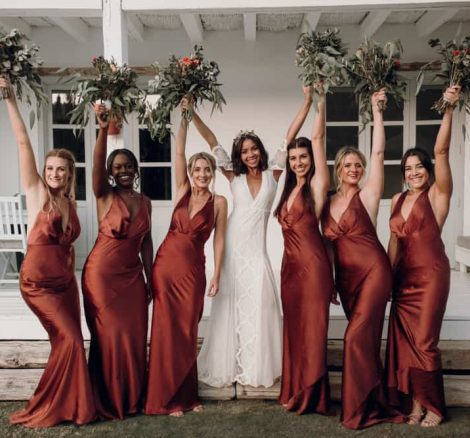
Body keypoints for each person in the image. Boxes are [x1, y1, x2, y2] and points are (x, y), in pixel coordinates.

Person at [195, 91, 307, 388]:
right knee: (230, 304)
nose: (250, 154)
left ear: (260, 150)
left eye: (254, 149)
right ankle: (229, 365)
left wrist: (307, 101)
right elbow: (211, 141)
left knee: (262, 304)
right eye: (244, 151)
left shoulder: (274, 174)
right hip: (233, 248)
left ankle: (256, 365)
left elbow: (289, 135)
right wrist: (190, 112)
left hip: (256, 251)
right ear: (239, 156)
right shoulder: (234, 177)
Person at [1, 76, 95, 427]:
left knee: (69, 342)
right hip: (38, 284)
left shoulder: (70, 202)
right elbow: (24, 142)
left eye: (61, 169)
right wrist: (9, 99)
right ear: (44, 172)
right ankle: (48, 404)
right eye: (50, 169)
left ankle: (72, 405)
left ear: (70, 174)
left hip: (65, 284)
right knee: (69, 340)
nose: (54, 173)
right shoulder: (37, 194)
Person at [321, 89, 404, 429]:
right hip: (346, 280)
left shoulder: (369, 195)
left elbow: (380, 150)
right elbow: (325, 247)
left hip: (374, 272)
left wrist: (377, 112)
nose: (354, 169)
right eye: (348, 165)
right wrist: (329, 282)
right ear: (338, 169)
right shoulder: (325, 202)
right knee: (365, 341)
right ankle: (375, 400)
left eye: (359, 165)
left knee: (354, 338)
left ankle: (357, 411)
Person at [145, 98, 227, 416]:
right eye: (198, 169)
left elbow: (219, 241)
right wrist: (183, 115)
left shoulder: (219, 202)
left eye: (207, 169)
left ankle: (187, 395)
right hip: (165, 267)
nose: (202, 173)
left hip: (194, 271)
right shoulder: (181, 190)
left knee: (186, 330)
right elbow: (177, 151)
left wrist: (217, 274)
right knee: (165, 331)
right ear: (191, 173)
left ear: (212, 173)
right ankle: (166, 399)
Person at [386, 86, 461, 428]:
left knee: (425, 341)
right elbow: (394, 241)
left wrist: (449, 108)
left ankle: (434, 406)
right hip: (403, 279)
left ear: (428, 169)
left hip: (431, 276)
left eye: (419, 167)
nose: (414, 172)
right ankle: (415, 404)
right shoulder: (399, 200)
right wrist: (386, 279)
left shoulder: (437, 195)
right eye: (408, 168)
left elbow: (442, 149)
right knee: (406, 343)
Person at [81, 104, 153, 419]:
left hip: (134, 278)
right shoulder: (104, 195)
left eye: (128, 166)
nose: (123, 171)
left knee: (135, 335)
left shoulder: (146, 202)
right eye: (117, 167)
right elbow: (95, 168)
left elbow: (146, 243)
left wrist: (151, 279)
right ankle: (109, 400)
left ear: (136, 170)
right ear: (111, 173)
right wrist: (101, 130)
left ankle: (133, 398)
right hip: (102, 276)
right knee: (109, 336)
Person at [273, 85, 333, 414]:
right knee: (295, 329)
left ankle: (313, 394)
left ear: (312, 159)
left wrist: (319, 102)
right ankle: (295, 388)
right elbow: (288, 138)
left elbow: (318, 138)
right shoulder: (288, 189)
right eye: (294, 158)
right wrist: (305, 100)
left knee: (312, 330)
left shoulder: (318, 184)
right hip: (289, 269)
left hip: (313, 269)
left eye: (303, 157)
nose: (297, 162)